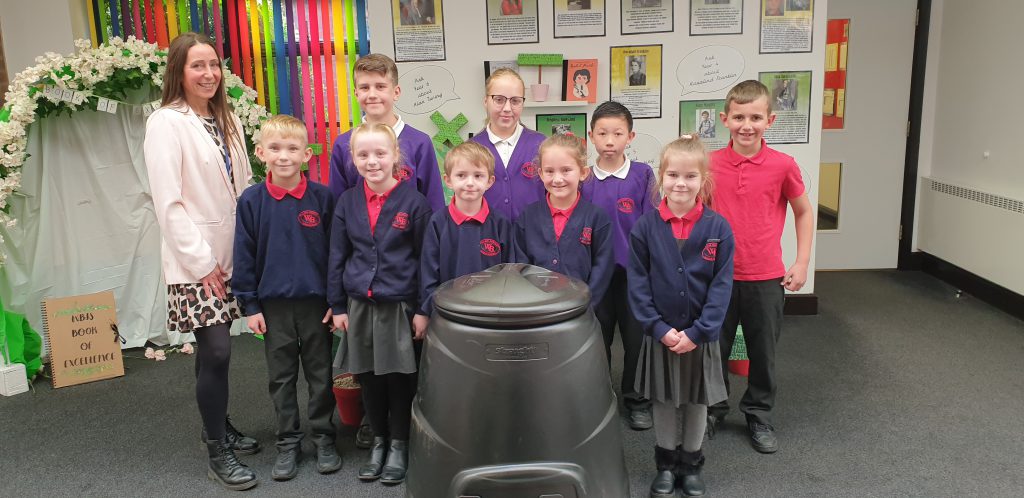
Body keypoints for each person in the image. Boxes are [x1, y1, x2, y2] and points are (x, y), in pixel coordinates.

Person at [144, 32, 259, 491]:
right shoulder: (165, 122)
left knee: (214, 353)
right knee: (216, 349)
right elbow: (168, 203)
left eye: (213, 64)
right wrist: (202, 262)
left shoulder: (225, 118)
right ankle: (217, 451)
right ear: (179, 71)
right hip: (196, 259)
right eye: (197, 66)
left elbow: (244, 186)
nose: (208, 73)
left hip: (233, 252)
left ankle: (219, 425)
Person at [232, 115, 341, 481]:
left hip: (316, 306)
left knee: (320, 375)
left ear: (306, 154)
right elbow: (243, 254)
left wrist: (334, 300)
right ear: (261, 152)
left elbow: (335, 253)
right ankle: (288, 442)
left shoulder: (323, 197)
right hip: (273, 307)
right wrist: (250, 305)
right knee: (281, 378)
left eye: (292, 148)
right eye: (275, 148)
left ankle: (324, 438)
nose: (283, 156)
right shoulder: (251, 200)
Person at [707, 80, 814, 454]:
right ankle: (714, 408)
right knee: (713, 349)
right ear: (725, 119)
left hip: (766, 276)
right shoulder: (709, 164)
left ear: (770, 119)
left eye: (755, 117)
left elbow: (803, 212)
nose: (746, 125)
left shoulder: (783, 166)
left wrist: (801, 262)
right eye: (738, 117)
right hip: (716, 277)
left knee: (762, 352)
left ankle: (758, 412)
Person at [629, 134, 733, 498]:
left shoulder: (718, 229)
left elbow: (721, 287)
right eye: (672, 175)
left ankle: (691, 465)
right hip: (661, 335)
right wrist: (658, 328)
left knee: (696, 401)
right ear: (661, 178)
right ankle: (666, 465)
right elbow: (638, 284)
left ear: (702, 181)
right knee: (663, 400)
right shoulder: (644, 227)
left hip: (699, 338)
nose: (680, 183)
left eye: (690, 176)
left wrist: (700, 331)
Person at [328, 123, 431, 486]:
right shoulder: (347, 202)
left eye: (380, 153)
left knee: (400, 377)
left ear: (395, 157)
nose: (372, 162)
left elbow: (425, 259)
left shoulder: (414, 202)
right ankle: (379, 441)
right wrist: (337, 305)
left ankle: (400, 443)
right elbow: (337, 255)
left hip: (399, 305)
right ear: (353, 159)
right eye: (363, 155)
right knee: (369, 376)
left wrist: (423, 309)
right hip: (359, 305)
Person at [581, 101, 658, 431]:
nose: (609, 140)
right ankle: (599, 398)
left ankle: (637, 399)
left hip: (634, 275)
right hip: (595, 275)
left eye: (617, 133)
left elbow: (653, 226)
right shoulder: (582, 179)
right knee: (597, 339)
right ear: (591, 137)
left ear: (630, 136)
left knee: (636, 339)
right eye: (602, 133)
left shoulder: (642, 175)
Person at [414, 141, 514, 332]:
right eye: (461, 175)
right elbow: (427, 274)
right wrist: (426, 310)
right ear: (448, 180)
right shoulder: (437, 223)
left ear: (490, 181)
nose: (470, 182)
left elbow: (510, 273)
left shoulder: (500, 223)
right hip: (447, 317)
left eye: (478, 176)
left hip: (492, 318)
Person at [328, 53, 445, 210]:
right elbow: (337, 203)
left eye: (380, 86)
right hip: (360, 233)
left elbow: (433, 200)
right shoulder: (343, 144)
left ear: (396, 92)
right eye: (364, 88)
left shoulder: (420, 142)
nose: (372, 94)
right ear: (356, 94)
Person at [513, 133, 614, 307]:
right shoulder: (527, 218)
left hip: (583, 313)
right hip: (537, 310)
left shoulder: (597, 218)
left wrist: (586, 305)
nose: (557, 179)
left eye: (566, 170)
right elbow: (521, 266)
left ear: (583, 172)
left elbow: (602, 268)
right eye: (549, 171)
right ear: (541, 173)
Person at [471, 68, 547, 221]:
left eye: (515, 101)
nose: (507, 108)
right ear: (486, 101)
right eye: (499, 99)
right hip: (487, 240)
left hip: (534, 239)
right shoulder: (471, 149)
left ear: (522, 103)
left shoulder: (542, 145)